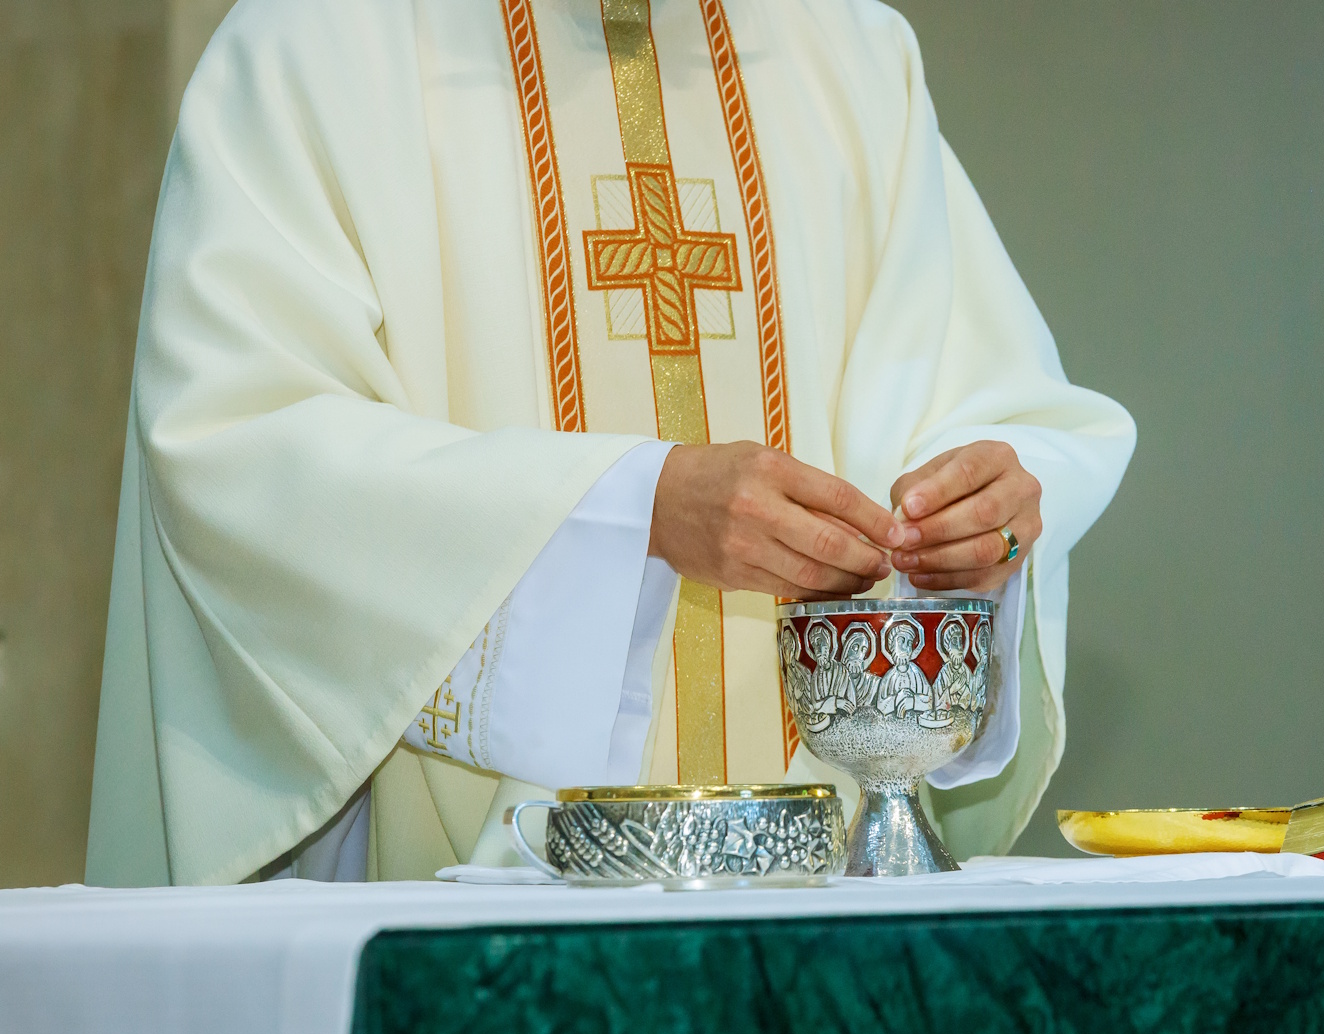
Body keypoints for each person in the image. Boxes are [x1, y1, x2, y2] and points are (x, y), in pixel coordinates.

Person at [85, 0, 1135, 886]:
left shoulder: (843, 53)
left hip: (822, 918)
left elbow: (973, 394)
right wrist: (629, 507)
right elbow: (237, 453)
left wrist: (976, 519)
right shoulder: (315, 48)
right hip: (470, 932)